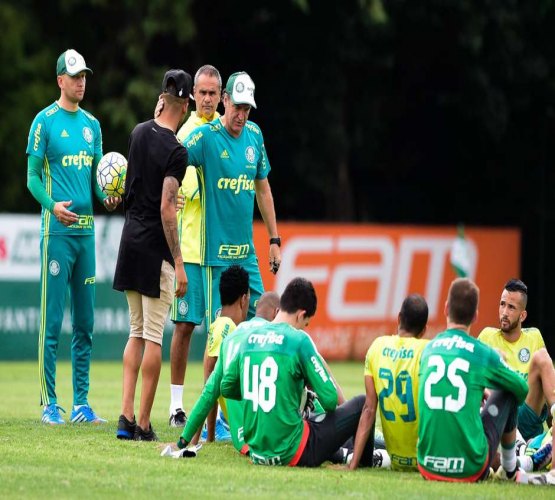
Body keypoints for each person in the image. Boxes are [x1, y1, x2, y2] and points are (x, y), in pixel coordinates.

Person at [26, 49, 120, 425]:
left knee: (85, 323)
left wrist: (109, 198)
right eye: (74, 76)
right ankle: (50, 402)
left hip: (86, 234)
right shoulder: (44, 122)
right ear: (60, 80)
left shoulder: (92, 126)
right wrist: (52, 206)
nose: (81, 82)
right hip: (57, 233)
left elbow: (98, 181)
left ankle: (82, 403)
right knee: (51, 323)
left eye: (84, 76)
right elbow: (32, 177)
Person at [219, 277, 376, 467]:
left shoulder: (249, 338)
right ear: (301, 315)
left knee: (309, 421)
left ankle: (351, 454)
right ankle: (364, 463)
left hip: (258, 452)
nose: (304, 328)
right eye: (306, 323)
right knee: (362, 403)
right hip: (293, 451)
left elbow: (227, 388)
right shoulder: (299, 340)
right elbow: (330, 400)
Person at [113, 69, 191, 441]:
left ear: (162, 97)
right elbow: (167, 207)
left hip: (129, 240)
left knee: (135, 332)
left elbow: (128, 193)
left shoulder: (139, 132)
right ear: (188, 104)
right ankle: (143, 422)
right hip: (156, 248)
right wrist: (178, 261)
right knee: (154, 336)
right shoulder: (178, 151)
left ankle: (124, 417)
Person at [182, 70, 281, 335]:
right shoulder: (205, 136)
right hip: (215, 256)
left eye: (247, 108)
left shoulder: (254, 135)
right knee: (220, 334)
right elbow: (170, 159)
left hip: (246, 255)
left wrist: (274, 239)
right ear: (225, 100)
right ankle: (212, 380)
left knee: (266, 322)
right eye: (237, 107)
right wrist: (171, 188)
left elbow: (263, 189)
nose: (242, 115)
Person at [417, 278, 529, 482]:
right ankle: (511, 470)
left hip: (427, 465)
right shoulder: (483, 353)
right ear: (475, 316)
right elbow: (521, 388)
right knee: (509, 388)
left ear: (446, 308)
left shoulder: (428, 349)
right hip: (470, 468)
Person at [168, 65, 223, 427]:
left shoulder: (226, 131)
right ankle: (176, 406)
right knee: (185, 327)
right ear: (192, 96)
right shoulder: (183, 134)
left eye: (212, 93)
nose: (205, 99)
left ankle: (217, 414)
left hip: (219, 251)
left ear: (221, 96)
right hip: (189, 249)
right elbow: (175, 192)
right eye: (200, 93)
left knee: (220, 334)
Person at [175, 290, 280, 455]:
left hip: (242, 439)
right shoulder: (277, 337)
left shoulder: (232, 338)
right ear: (277, 313)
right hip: (275, 432)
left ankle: (220, 424)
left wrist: (184, 440)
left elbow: (209, 391)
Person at [349, 294, 429, 471]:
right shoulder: (428, 351)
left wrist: (353, 465)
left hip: (396, 459)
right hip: (426, 461)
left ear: (399, 318)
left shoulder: (377, 347)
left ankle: (349, 455)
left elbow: (369, 409)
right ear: (424, 330)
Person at [478, 279, 555, 441]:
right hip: (499, 417)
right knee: (493, 360)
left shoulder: (534, 336)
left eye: (511, 307)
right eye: (502, 304)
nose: (504, 312)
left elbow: (547, 385)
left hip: (526, 417)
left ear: (523, 315)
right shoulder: (486, 336)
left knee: (542, 357)